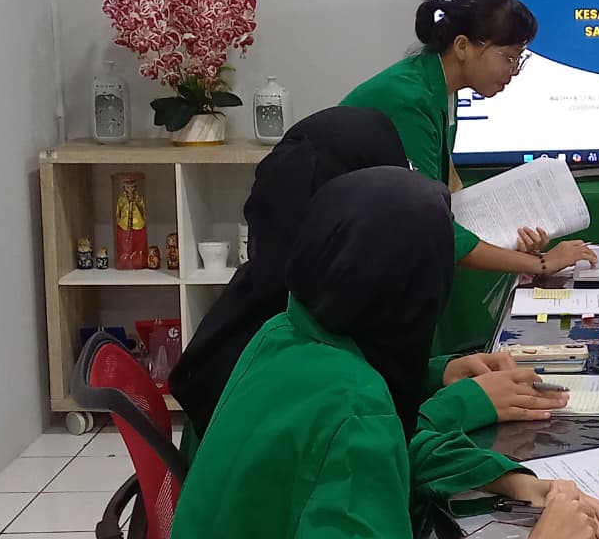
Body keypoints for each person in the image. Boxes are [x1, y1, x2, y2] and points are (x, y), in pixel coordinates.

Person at [171, 167, 599, 539]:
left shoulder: (284, 332)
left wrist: (511, 480)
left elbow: (393, 451)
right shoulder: (357, 403)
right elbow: (362, 444)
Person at [168, 106, 566, 460]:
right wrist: (463, 405)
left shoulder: (287, 303)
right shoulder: (279, 347)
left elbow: (358, 386)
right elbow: (355, 445)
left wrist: (439, 374)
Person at [342, 0, 598, 277]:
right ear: (463, 46)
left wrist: (510, 237)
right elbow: (427, 223)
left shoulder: (442, 90)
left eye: (519, 59)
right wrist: (541, 263)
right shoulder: (409, 101)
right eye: (509, 58)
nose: (514, 71)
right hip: (350, 262)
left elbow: (448, 192)